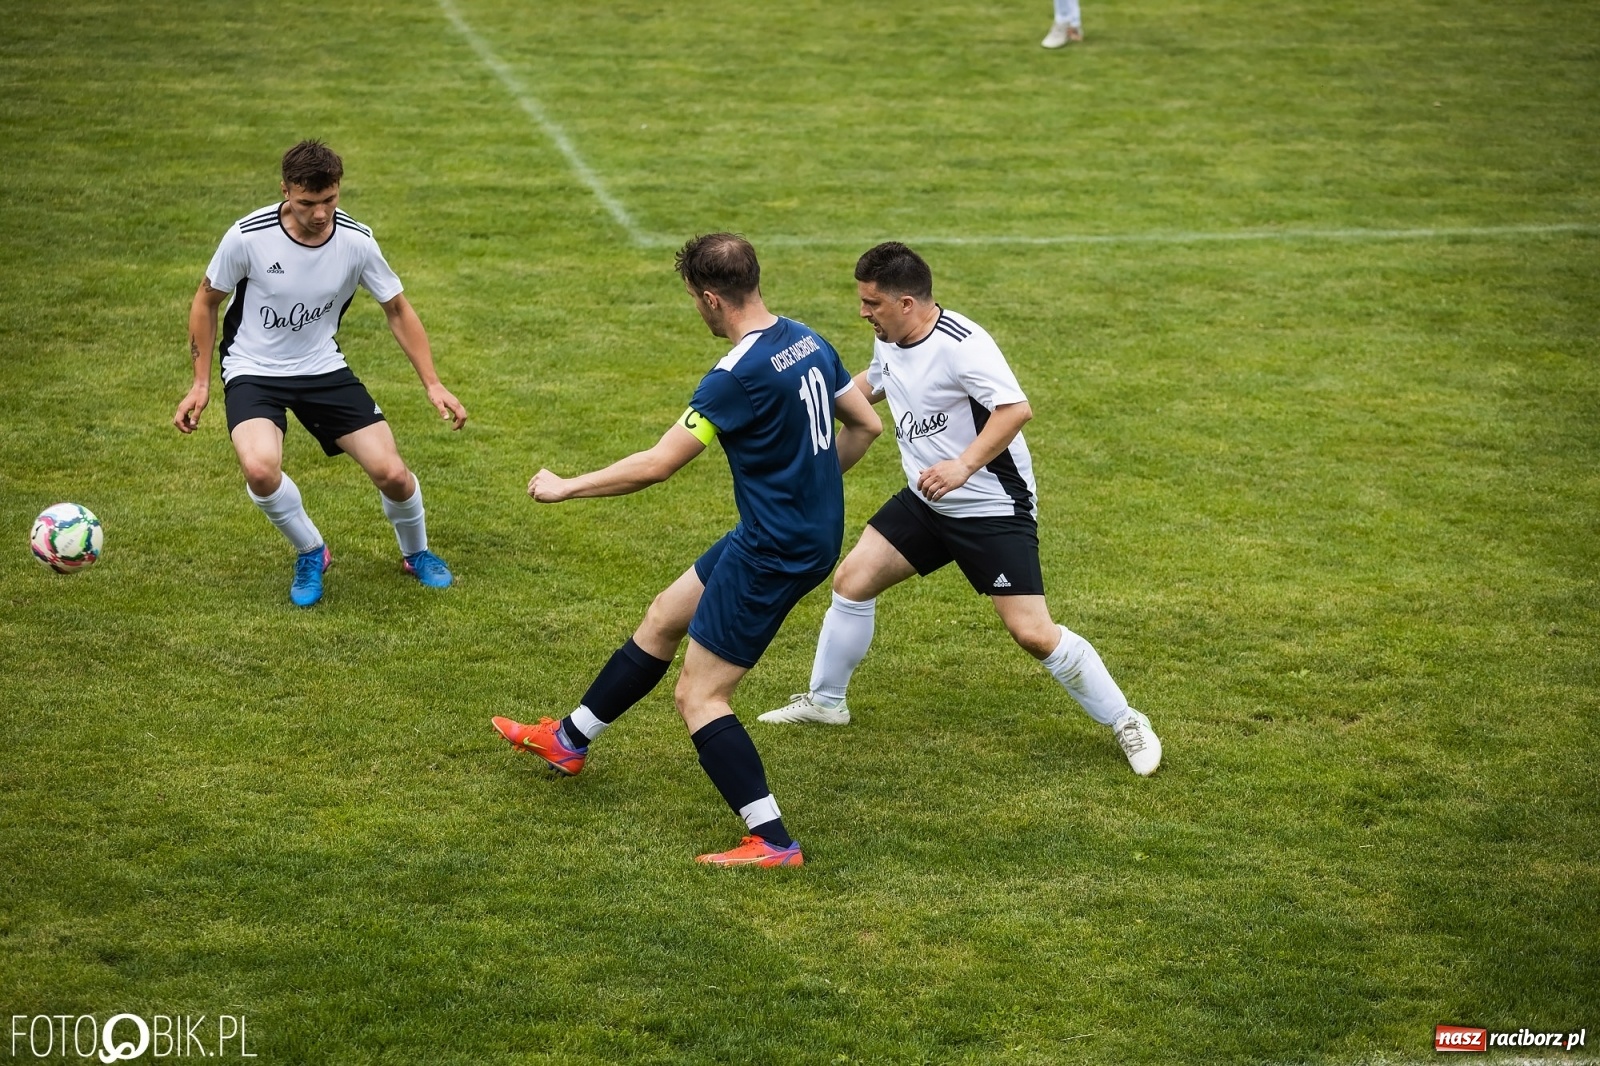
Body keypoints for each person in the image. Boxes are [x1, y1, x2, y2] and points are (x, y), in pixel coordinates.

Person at [491, 234, 882, 867]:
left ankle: (773, 840)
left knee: (700, 696)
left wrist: (567, 486)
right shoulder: (808, 341)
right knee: (664, 616)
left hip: (774, 548)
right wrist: (812, 487)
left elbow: (657, 465)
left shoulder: (734, 376)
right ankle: (569, 739)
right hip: (792, 531)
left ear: (710, 298)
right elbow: (866, 423)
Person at [759, 242, 1162, 777]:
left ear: (906, 303)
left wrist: (963, 466)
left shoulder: (962, 345)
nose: (863, 312)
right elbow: (876, 380)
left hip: (990, 506)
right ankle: (826, 702)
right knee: (852, 580)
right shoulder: (892, 336)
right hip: (928, 500)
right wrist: (812, 401)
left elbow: (1015, 409)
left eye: (871, 302)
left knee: (1033, 633)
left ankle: (1126, 719)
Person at [173, 140, 467, 607]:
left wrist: (433, 383)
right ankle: (312, 550)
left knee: (392, 473)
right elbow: (205, 301)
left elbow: (397, 308)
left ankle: (417, 553)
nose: (320, 213)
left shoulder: (356, 241)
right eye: (307, 202)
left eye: (329, 199)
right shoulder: (247, 236)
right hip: (254, 369)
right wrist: (201, 382)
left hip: (322, 367)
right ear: (285, 191)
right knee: (260, 469)